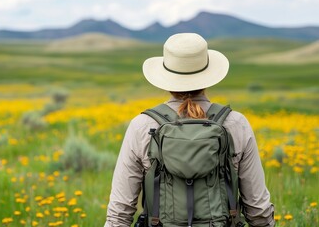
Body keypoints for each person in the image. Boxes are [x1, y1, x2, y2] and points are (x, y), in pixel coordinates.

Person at [105, 33, 275, 227]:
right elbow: (258, 210)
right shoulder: (236, 123)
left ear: (166, 77)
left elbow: (119, 214)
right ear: (208, 75)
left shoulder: (142, 126)